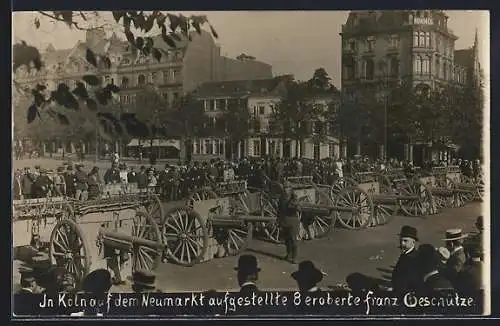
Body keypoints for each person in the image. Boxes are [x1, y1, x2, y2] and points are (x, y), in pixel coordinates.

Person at [391, 225, 420, 295]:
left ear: (413, 242)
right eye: (401, 240)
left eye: (405, 241)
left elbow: (409, 280)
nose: (402, 243)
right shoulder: (405, 254)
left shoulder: (412, 258)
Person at [278, 180, 299, 264]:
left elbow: (296, 207)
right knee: (286, 240)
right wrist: (278, 220)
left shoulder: (294, 197)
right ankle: (288, 254)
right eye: (285, 187)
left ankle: (294, 257)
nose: (286, 189)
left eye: (287, 187)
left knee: (293, 239)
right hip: (284, 220)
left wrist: (294, 205)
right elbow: (279, 210)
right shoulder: (281, 198)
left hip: (293, 221)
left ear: (290, 189)